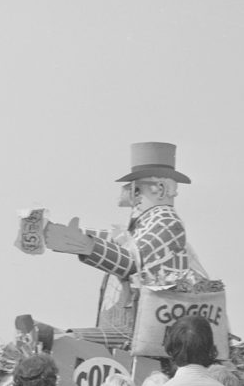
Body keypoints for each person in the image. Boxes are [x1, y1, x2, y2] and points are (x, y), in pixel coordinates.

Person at [42, 142, 204, 333]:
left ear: (160, 189)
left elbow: (131, 262)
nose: (127, 194)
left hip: (144, 334)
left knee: (64, 340)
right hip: (131, 329)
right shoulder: (145, 224)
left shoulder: (166, 222)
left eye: (136, 188)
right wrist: (60, 234)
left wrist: (86, 246)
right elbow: (116, 242)